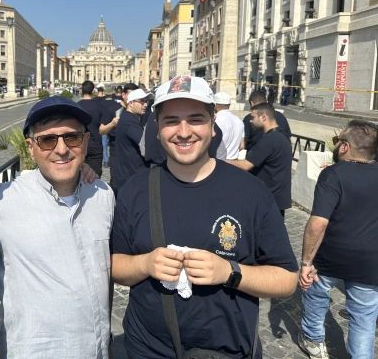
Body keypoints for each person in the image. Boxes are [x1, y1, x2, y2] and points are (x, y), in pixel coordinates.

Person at [111, 75, 298, 359]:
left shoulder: (251, 191)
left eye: (196, 119)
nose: (184, 132)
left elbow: (286, 280)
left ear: (213, 124)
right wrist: (145, 263)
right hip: (146, 350)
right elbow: (114, 265)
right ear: (158, 128)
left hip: (227, 352)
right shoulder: (134, 190)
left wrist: (230, 272)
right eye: (171, 120)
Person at [0, 96, 115, 358]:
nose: (61, 149)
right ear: (30, 147)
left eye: (71, 137)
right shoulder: (1, 202)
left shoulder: (103, 195)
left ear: (85, 141)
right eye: (47, 140)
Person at [298, 120, 378, 359]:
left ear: (345, 146)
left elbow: (318, 223)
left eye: (337, 140)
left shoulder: (333, 174)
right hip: (370, 262)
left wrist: (305, 263)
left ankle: (313, 341)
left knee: (315, 295)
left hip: (329, 257)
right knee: (364, 319)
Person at [227, 103, 292, 217]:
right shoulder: (281, 135)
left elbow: (245, 165)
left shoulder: (269, 140)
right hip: (277, 198)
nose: (250, 121)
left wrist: (219, 160)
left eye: (253, 117)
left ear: (263, 117)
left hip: (268, 198)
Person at [114, 88, 150, 192]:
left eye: (146, 101)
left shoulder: (129, 118)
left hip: (129, 176)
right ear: (131, 103)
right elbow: (145, 147)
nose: (145, 105)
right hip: (130, 178)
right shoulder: (129, 121)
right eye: (141, 101)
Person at [78, 80, 104, 176]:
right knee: (96, 176)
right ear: (93, 91)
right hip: (96, 143)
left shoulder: (77, 106)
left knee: (79, 176)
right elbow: (103, 127)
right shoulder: (99, 106)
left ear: (81, 90)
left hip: (80, 144)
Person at [213, 92, 244, 160]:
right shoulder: (239, 121)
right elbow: (242, 145)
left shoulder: (215, 120)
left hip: (218, 162)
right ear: (229, 105)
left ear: (215, 105)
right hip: (234, 162)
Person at [100, 86, 117, 168]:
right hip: (114, 126)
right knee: (112, 145)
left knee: (104, 145)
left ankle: (106, 160)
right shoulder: (116, 104)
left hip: (104, 125)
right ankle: (112, 159)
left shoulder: (101, 103)